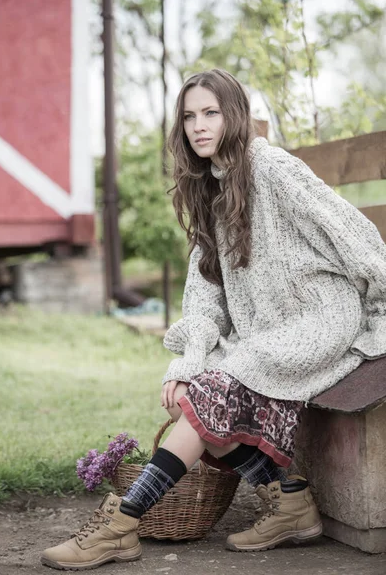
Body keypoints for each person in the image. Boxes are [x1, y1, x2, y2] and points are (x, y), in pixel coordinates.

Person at [41, 69, 386, 570]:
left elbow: (356, 234)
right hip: (267, 332)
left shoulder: (270, 167)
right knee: (191, 388)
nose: (198, 126)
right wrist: (190, 357)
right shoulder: (208, 189)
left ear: (235, 116)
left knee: (213, 391)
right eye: (188, 116)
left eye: (211, 113)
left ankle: (122, 524)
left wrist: (381, 310)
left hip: (319, 318)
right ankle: (289, 500)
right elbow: (202, 298)